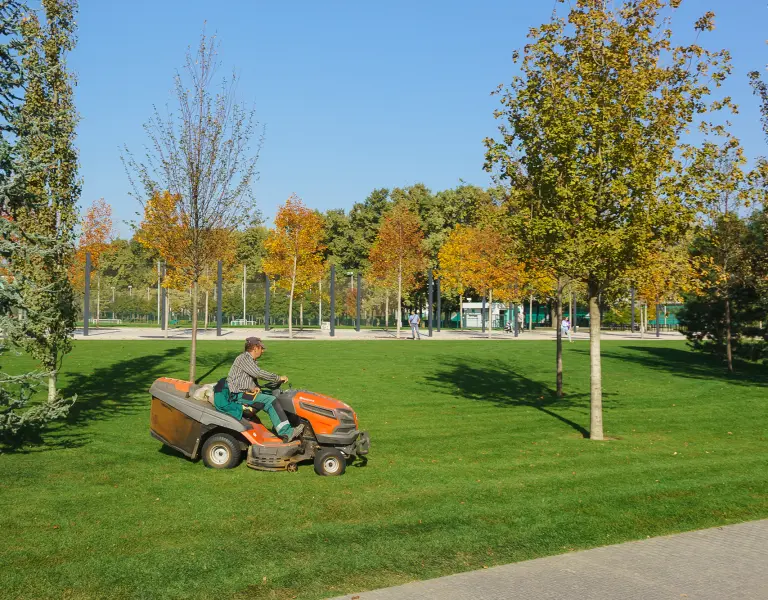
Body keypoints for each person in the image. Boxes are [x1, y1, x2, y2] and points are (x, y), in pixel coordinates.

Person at [215, 337, 304, 441]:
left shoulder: (249, 360)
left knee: (275, 395)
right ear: (254, 348)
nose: (263, 350)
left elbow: (243, 378)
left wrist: (254, 387)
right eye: (261, 348)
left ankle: (282, 426)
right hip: (237, 395)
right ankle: (287, 432)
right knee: (270, 401)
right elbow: (258, 373)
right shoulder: (244, 358)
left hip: (243, 392)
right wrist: (278, 378)